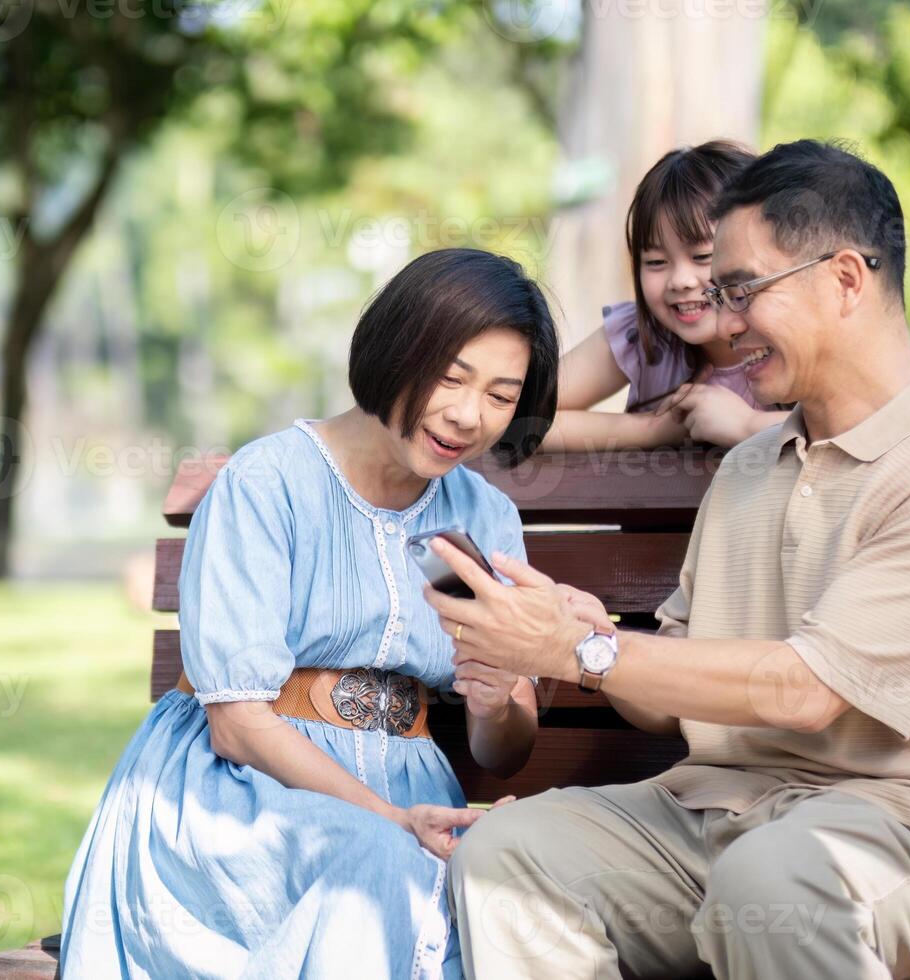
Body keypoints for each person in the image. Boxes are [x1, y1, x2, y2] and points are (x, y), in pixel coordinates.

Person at [427, 141, 910, 978]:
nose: (727, 320)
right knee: (509, 851)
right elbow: (673, 707)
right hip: (706, 817)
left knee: (776, 873)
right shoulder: (749, 467)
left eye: (742, 288)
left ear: (847, 279)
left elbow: (807, 691)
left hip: (892, 837)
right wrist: (587, 635)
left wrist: (583, 653)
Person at [57, 248, 560, 979]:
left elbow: (502, 750)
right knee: (381, 873)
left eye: (500, 394)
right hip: (242, 801)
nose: (467, 414)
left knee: (486, 892)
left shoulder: (487, 516)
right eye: (450, 376)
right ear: (394, 352)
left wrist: (493, 699)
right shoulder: (270, 482)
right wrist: (388, 822)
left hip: (412, 800)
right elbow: (236, 725)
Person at [541, 140, 789, 451]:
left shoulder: (792, 337)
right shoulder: (643, 336)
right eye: (656, 262)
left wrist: (747, 425)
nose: (681, 281)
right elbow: (518, 417)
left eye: (702, 256)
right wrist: (651, 429)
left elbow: (856, 421)